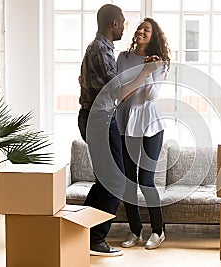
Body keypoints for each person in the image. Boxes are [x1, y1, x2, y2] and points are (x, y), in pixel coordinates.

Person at [78, 5, 162, 256]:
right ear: (114, 23)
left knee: (107, 180)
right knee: (115, 180)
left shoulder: (101, 50)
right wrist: (146, 72)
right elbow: (119, 94)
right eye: (124, 23)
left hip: (102, 118)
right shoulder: (103, 51)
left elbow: (89, 82)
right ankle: (95, 239)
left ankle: (82, 232)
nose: (127, 27)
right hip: (100, 119)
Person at [115, 18, 170, 250]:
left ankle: (158, 231)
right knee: (128, 180)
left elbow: (151, 96)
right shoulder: (123, 58)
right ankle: (135, 230)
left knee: (146, 180)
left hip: (150, 123)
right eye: (139, 28)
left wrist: (148, 71)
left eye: (146, 30)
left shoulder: (161, 62)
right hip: (125, 121)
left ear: (153, 36)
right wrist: (144, 70)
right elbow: (119, 92)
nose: (141, 31)